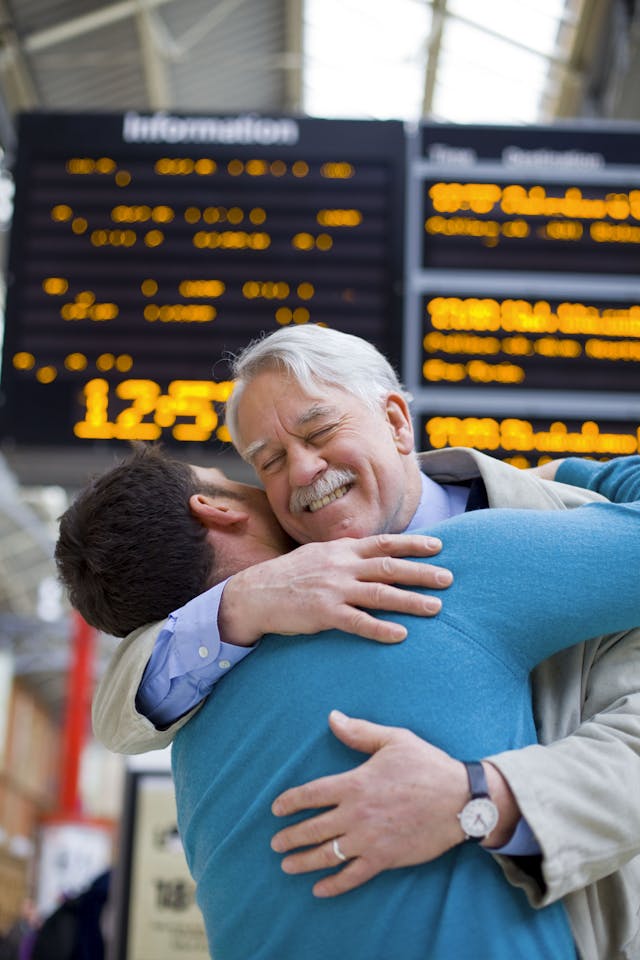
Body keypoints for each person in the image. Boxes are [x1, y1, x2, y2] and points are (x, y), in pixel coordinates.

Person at [89, 326, 640, 960]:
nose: (302, 468)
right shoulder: (266, 591)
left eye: (320, 432)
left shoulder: (557, 527)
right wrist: (245, 600)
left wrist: (482, 797)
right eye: (267, 461)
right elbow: (119, 707)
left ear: (398, 422)